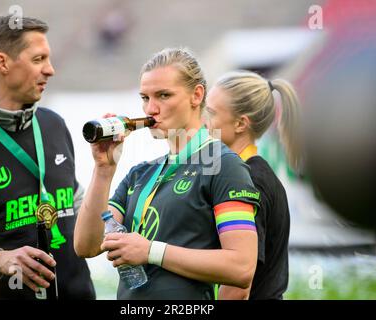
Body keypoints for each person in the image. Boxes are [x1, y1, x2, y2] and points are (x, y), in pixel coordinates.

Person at [74, 48, 260, 300]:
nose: (151, 108)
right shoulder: (140, 173)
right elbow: (85, 245)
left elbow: (241, 267)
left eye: (163, 95)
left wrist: (151, 251)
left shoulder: (225, 165)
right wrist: (103, 170)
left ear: (197, 95)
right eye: (145, 97)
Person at [0, 15, 95, 299]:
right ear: (2, 63)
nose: (51, 70)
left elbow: (75, 205)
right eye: (38, 59)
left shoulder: (54, 123)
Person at [204, 71, 300, 299]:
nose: (202, 122)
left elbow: (238, 285)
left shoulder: (250, 180)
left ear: (240, 123)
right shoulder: (250, 173)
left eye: (210, 113)